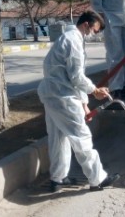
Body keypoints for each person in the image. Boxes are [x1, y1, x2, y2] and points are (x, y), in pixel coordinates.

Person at [37, 10, 120, 192]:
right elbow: (76, 77)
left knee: (58, 139)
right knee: (82, 138)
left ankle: (57, 179)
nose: (95, 34)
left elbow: (71, 76)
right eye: (95, 30)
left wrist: (84, 103)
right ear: (86, 25)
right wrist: (94, 90)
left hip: (53, 95)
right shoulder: (73, 41)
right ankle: (97, 179)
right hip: (63, 97)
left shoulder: (69, 39)